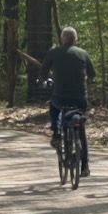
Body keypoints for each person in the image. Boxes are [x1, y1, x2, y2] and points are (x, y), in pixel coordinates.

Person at [38, 27, 94, 173]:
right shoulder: (83, 54)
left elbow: (43, 72)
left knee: (54, 107)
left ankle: (56, 133)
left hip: (60, 98)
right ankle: (85, 166)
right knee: (81, 129)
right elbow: (92, 74)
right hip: (80, 99)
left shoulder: (53, 53)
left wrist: (43, 80)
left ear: (62, 39)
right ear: (76, 40)